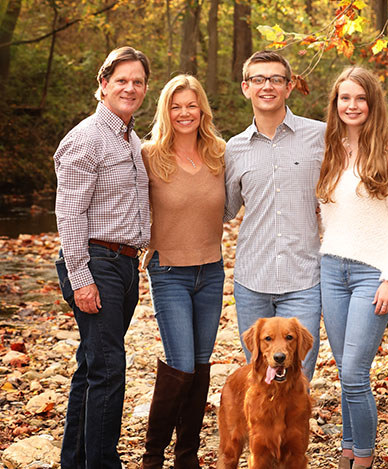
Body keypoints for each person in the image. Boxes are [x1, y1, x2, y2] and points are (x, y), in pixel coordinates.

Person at [54, 46, 151, 469]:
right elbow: (69, 212)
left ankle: (75, 461)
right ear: (103, 84)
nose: (130, 88)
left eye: (138, 81)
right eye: (122, 80)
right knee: (109, 370)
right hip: (96, 263)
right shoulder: (86, 138)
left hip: (124, 264)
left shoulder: (130, 138)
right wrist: (81, 277)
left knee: (92, 366)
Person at [317, 66, 388, 469]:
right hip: (331, 270)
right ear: (336, 103)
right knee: (345, 370)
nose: (352, 105)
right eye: (345, 98)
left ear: (372, 103)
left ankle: (363, 458)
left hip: (370, 276)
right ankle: (346, 447)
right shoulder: (330, 149)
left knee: (355, 373)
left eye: (360, 98)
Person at [140, 74, 225, 469]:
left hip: (211, 271)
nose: (184, 113)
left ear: (202, 109)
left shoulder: (220, 154)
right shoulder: (148, 155)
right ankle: (153, 455)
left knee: (202, 363)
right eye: (176, 106)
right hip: (168, 271)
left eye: (191, 105)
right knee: (181, 364)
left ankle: (186, 456)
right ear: (165, 110)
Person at [224, 50, 325, 380]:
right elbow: (224, 209)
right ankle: (262, 434)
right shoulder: (233, 149)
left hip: (303, 278)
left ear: (289, 86)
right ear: (246, 87)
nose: (267, 86)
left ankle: (294, 434)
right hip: (252, 278)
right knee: (261, 374)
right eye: (258, 79)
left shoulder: (320, 136)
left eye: (276, 79)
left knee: (297, 376)